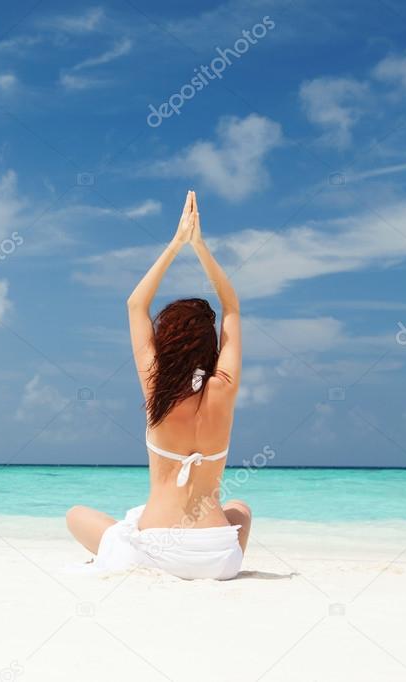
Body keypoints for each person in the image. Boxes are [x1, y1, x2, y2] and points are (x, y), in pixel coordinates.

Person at [66, 190, 251, 580]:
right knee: (241, 510)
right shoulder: (225, 388)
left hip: (156, 550)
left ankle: (126, 554)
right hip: (217, 556)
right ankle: (213, 563)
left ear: (166, 340)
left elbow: (135, 304)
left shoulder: (157, 389)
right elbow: (232, 307)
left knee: (77, 516)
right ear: (211, 345)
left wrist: (176, 243)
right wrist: (200, 247)